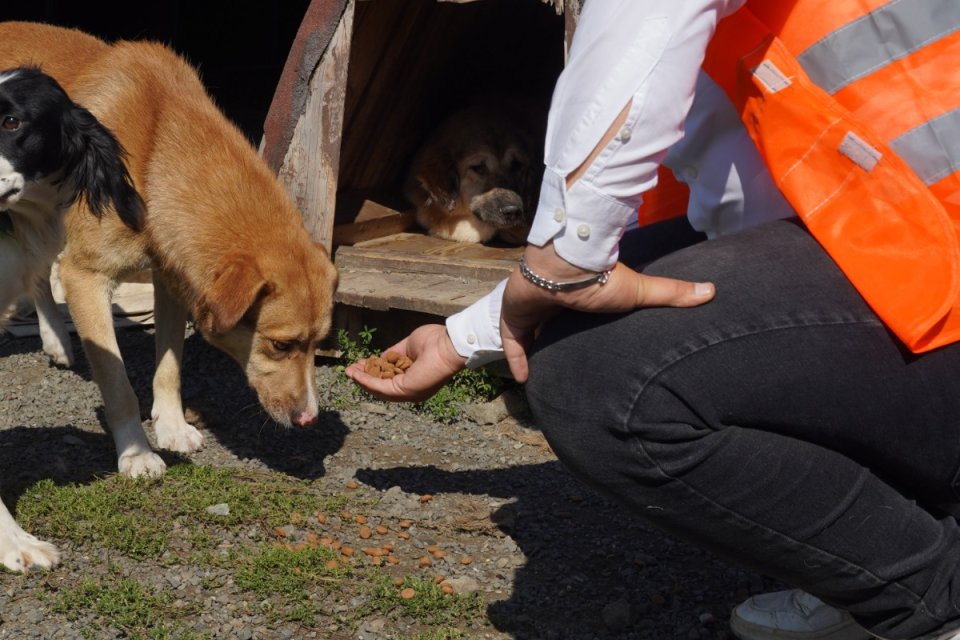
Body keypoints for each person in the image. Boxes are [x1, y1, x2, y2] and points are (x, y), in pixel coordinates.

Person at [346, 1, 960, 639]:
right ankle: (874, 556)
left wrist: (561, 258)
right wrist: (459, 337)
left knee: (595, 382)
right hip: (903, 245)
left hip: (935, 265)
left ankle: (932, 591)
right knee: (595, 327)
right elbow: (686, 231)